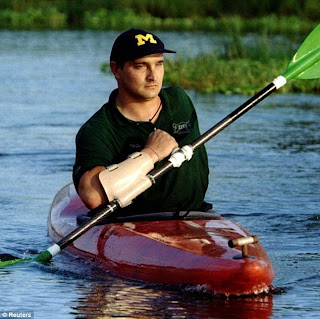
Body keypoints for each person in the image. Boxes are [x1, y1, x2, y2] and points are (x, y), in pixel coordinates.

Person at [73, 28, 209, 216]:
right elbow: (91, 196)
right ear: (116, 69)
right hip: (134, 226)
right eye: (140, 66)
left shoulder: (179, 101)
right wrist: (150, 154)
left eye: (159, 64)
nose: (153, 76)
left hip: (196, 217)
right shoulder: (98, 129)